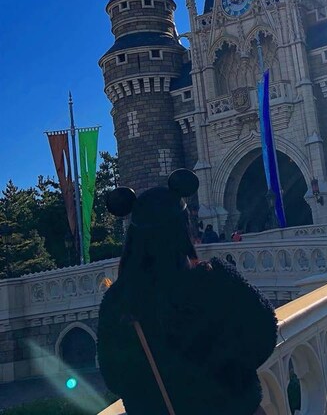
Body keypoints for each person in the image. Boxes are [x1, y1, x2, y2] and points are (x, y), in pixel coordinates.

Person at [97, 169, 277, 415]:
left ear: (134, 237)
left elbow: (114, 376)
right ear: (185, 229)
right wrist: (230, 377)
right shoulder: (217, 279)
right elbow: (264, 331)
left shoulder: (119, 302)